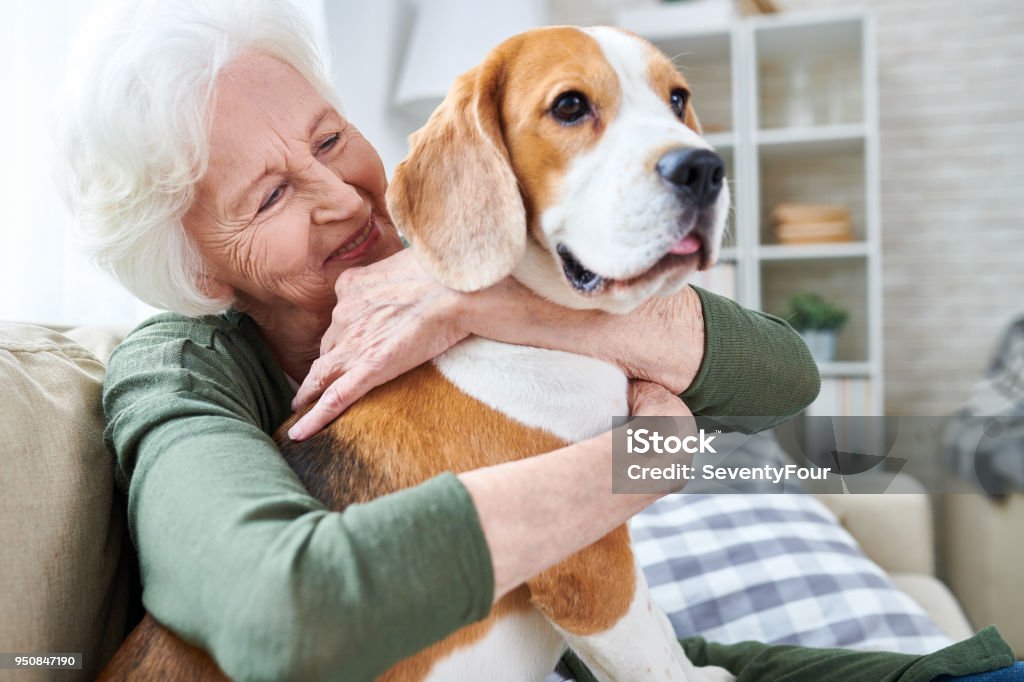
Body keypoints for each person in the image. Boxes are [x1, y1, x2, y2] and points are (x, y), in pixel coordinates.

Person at [61, 1, 1016, 680]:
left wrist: (481, 304)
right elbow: (283, 613)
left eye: (327, 139)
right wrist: (644, 459)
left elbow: (785, 377)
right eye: (269, 195)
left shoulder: (490, 277)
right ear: (200, 270)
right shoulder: (177, 370)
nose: (343, 196)